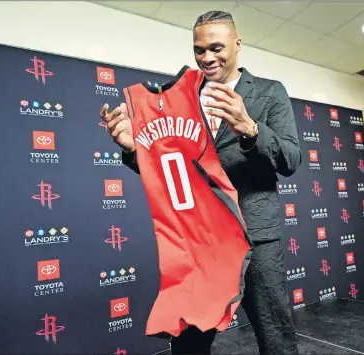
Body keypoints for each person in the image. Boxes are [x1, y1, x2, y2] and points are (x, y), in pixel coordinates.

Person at [100, 10, 302, 355]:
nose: (207, 58)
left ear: (238, 44)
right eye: (199, 50)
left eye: (217, 48)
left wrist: (251, 129)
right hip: (199, 240)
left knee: (275, 337)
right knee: (189, 342)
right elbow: (168, 166)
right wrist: (135, 150)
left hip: (255, 235)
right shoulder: (182, 95)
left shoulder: (269, 93)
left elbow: (291, 160)